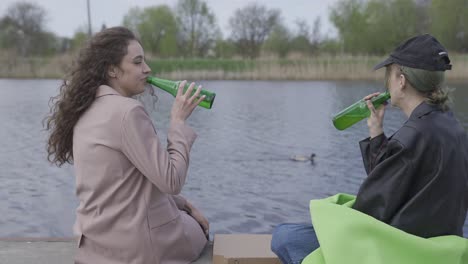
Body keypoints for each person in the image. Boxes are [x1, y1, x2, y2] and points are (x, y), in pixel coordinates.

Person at [271, 34, 468, 264]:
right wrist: (376, 132)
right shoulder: (453, 127)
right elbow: (396, 185)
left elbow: (370, 210)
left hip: (398, 249)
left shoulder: (410, 137)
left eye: (390, 75)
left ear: (402, 80)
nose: (388, 83)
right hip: (437, 247)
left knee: (285, 236)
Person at [45, 27, 209, 264]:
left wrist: (184, 204)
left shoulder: (84, 109)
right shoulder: (127, 112)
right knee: (199, 228)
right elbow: (171, 181)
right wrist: (178, 122)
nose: (147, 69)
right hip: (139, 249)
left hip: (94, 246)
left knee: (185, 213)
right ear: (112, 69)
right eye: (137, 62)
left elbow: (124, 186)